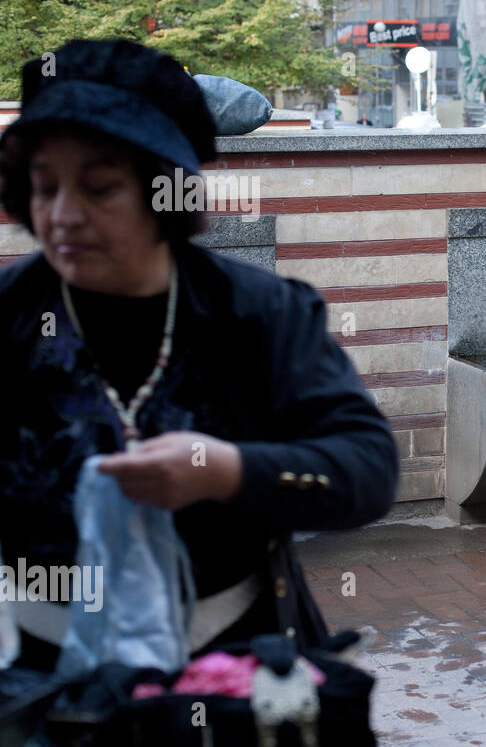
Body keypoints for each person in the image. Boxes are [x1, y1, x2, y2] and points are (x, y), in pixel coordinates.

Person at [0, 39, 400, 674]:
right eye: (45, 188)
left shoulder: (261, 314)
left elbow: (367, 471)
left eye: (99, 188)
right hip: (42, 683)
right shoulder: (10, 317)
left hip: (228, 681)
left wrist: (230, 471)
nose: (63, 216)